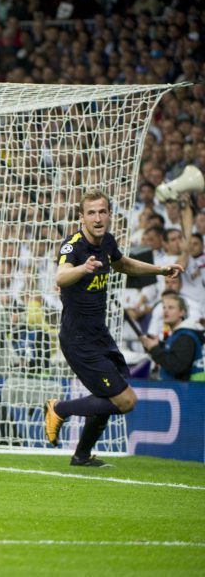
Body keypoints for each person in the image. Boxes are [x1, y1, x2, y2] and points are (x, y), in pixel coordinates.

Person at [44, 190, 183, 466]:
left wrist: (160, 270)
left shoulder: (107, 241)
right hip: (78, 338)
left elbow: (123, 264)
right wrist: (82, 269)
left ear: (109, 214)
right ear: (81, 217)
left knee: (107, 395)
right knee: (126, 400)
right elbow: (61, 274)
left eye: (102, 211)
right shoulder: (74, 245)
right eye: (91, 212)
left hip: (100, 335)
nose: (98, 217)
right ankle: (59, 408)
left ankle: (82, 455)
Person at [140, 291, 204, 381]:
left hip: (189, 391)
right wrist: (158, 345)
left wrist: (154, 349)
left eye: (171, 308)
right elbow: (174, 353)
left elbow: (176, 366)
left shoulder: (186, 337)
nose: (166, 311)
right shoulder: (179, 334)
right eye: (164, 307)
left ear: (181, 312)